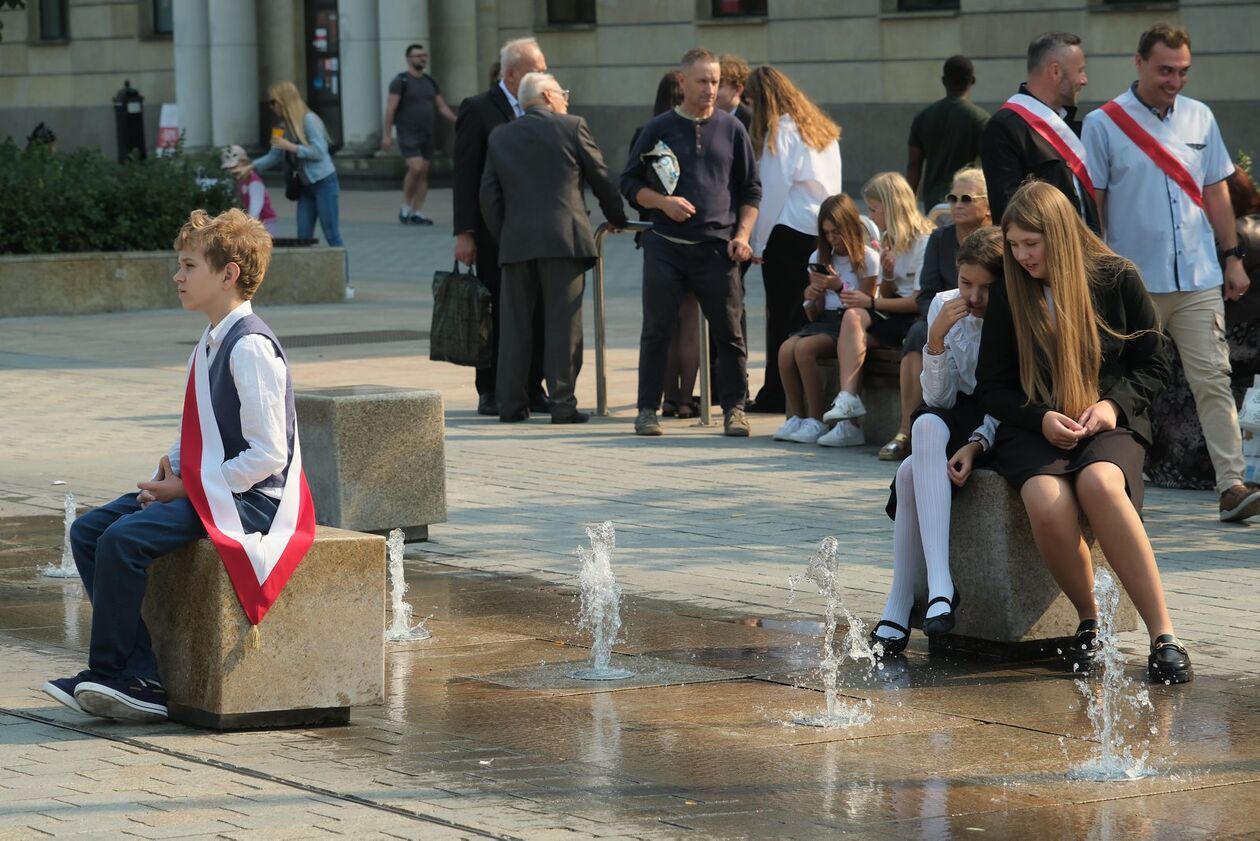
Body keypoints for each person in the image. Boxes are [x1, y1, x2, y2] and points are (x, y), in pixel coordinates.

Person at [43, 208, 313, 720]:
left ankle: (114, 673)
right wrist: (168, 473)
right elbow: (198, 425)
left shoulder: (250, 346)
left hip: (253, 501)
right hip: (212, 487)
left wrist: (189, 488)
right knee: (89, 531)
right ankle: (137, 669)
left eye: (189, 266)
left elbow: (270, 455)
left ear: (228, 274)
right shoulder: (211, 340)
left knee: (123, 540)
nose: (178, 276)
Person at [976, 181, 1192, 684]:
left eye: (1032, 244)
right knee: (1048, 501)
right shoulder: (1012, 291)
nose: (1022, 256)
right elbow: (993, 388)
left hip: (1109, 418)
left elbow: (1157, 363)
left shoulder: (1117, 277)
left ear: (1061, 235)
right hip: (1035, 423)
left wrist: (1114, 406)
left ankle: (1164, 635)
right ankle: (1089, 622)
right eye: (1014, 245)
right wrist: (1039, 419)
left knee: (1098, 485)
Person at [1081, 23, 1260, 524]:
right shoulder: (1103, 123)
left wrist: (1232, 256)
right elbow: (1094, 203)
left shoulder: (1201, 117)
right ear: (1138, 63)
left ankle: (1231, 486)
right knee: (1118, 382)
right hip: (1132, 283)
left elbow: (1216, 192)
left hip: (1199, 277)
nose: (1174, 81)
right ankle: (1106, 480)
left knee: (1214, 380)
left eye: (1182, 71)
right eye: (1164, 70)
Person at [870, 227, 1003, 653]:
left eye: (986, 287)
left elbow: (1016, 395)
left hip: (1003, 420)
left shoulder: (1015, 314)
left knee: (909, 472)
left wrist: (979, 441)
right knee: (924, 425)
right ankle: (940, 586)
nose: (974, 296)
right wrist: (936, 340)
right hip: (954, 413)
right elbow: (937, 398)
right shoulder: (946, 306)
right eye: (966, 283)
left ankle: (900, 603)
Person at [621, 48, 761, 438]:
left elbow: (751, 189)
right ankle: (647, 409)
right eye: (702, 81)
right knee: (657, 330)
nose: (710, 89)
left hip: (718, 248)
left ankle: (734, 408)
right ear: (682, 82)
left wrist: (743, 235)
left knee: (729, 332)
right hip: (666, 245)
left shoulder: (733, 129)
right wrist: (661, 202)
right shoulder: (659, 128)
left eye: (715, 81)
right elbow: (629, 184)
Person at [480, 73, 627, 424]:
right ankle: (562, 404)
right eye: (563, 93)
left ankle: (511, 405)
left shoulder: (500, 136)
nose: (566, 100)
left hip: (517, 243)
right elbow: (601, 178)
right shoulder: (572, 127)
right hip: (564, 240)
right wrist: (617, 216)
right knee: (564, 327)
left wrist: (506, 233)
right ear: (548, 95)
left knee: (515, 328)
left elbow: (488, 195)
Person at [453, 37, 549, 417]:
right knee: (493, 312)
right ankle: (489, 388)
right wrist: (465, 232)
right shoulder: (478, 109)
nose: (544, 74)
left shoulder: (545, 107)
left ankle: (532, 386)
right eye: (537, 68)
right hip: (494, 233)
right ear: (512, 73)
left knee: (537, 310)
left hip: (537, 230)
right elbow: (465, 174)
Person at [744, 65, 843, 417]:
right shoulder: (821, 130)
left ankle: (776, 394)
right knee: (806, 311)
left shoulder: (781, 131)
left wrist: (758, 241)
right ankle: (798, 395)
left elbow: (770, 191)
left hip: (785, 231)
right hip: (819, 228)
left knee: (780, 317)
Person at [820, 172, 933, 451]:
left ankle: (853, 410)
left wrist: (870, 301)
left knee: (858, 310)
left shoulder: (925, 240)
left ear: (891, 206)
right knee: (852, 317)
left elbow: (916, 302)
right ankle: (848, 403)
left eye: (873, 209)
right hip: (894, 314)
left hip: (914, 319)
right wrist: (891, 276)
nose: (871, 215)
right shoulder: (887, 238)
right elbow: (891, 294)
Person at [773, 194, 877, 444]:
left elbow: (865, 303)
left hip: (850, 322)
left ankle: (817, 419)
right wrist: (812, 296)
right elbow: (813, 313)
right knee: (786, 349)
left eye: (837, 232)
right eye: (827, 233)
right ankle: (797, 417)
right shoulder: (818, 258)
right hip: (824, 320)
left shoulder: (867, 258)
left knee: (804, 349)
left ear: (851, 227)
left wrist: (839, 286)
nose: (832, 239)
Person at [981, 32, 1099, 233]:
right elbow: (1009, 214)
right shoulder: (1005, 127)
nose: (1084, 80)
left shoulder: (1070, 123)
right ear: (1055, 72)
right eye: (1080, 71)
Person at [251, 82, 350, 299]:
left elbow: (319, 151)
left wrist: (292, 147)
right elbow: (274, 155)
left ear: (284, 101)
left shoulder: (309, 120)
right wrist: (251, 166)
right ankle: (306, 286)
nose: (271, 107)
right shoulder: (282, 125)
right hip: (305, 187)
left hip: (324, 182)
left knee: (332, 234)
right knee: (303, 236)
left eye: (273, 102)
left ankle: (345, 284)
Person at [382, 43, 457, 226]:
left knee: (423, 172)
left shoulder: (430, 82)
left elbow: (441, 107)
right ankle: (406, 206)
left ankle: (417, 211)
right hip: (408, 133)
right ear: (408, 59)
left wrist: (458, 121)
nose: (422, 59)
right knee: (415, 168)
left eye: (424, 55)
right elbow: (391, 109)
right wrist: (387, 135)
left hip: (427, 134)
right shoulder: (401, 81)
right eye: (417, 56)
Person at [906, 55, 990, 213]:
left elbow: (914, 165)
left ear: (944, 80)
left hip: (933, 205)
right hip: (967, 202)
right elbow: (991, 165)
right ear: (972, 80)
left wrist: (909, 207)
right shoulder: (980, 119)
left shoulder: (923, 117)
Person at [220, 144, 278, 235]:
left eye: (234, 167)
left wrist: (246, 227)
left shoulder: (254, 182)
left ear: (245, 163)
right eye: (229, 168)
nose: (232, 171)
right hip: (254, 223)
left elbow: (255, 211)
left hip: (265, 224)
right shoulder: (240, 181)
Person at [718, 53, 752, 130]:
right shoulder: (710, 119)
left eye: (719, 87)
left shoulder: (750, 122)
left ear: (737, 90)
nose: (712, 91)